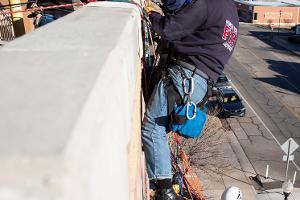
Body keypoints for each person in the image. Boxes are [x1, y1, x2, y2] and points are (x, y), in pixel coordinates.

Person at [142, 0, 239, 199]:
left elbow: (170, 29)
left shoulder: (209, 3)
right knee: (160, 127)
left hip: (185, 75)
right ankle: (163, 182)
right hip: (199, 84)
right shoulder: (232, 12)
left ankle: (164, 190)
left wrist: (151, 16)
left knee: (152, 128)